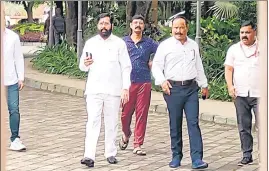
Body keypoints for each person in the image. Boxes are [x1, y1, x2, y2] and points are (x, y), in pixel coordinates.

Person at [151, 15, 209, 169]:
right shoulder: (165, 46)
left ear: (186, 28)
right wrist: (162, 81)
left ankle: (197, 159)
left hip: (191, 89)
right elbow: (156, 66)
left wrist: (204, 85)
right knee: (175, 123)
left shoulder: (193, 45)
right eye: (176, 27)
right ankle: (176, 156)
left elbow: (198, 66)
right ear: (171, 29)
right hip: (173, 89)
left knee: (193, 123)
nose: (178, 30)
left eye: (181, 27)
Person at [79, 13, 132, 168]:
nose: (104, 26)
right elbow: (82, 67)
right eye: (101, 23)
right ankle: (89, 155)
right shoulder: (90, 43)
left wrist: (125, 88)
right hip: (94, 90)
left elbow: (126, 67)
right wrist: (86, 63)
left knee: (111, 122)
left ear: (111, 26)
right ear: (97, 26)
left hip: (113, 90)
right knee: (93, 121)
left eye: (106, 24)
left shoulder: (119, 44)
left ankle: (110, 153)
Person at [119, 15, 158, 155]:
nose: (138, 25)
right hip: (127, 83)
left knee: (142, 113)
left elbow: (162, 51)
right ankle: (126, 133)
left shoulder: (149, 43)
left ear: (144, 26)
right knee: (125, 114)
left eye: (141, 23)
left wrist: (154, 61)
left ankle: (138, 144)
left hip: (144, 82)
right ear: (130, 25)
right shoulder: (123, 42)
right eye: (135, 23)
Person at [224, 20, 259, 166]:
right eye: (242, 32)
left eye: (247, 32)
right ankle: (247, 154)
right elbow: (229, 69)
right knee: (244, 126)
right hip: (240, 94)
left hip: (260, 94)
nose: (244, 35)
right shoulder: (234, 49)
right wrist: (230, 86)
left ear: (254, 32)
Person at [3, 15, 26, 152]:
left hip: (11, 79)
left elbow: (18, 57)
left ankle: (15, 139)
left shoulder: (13, 37)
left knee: (14, 109)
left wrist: (21, 77)